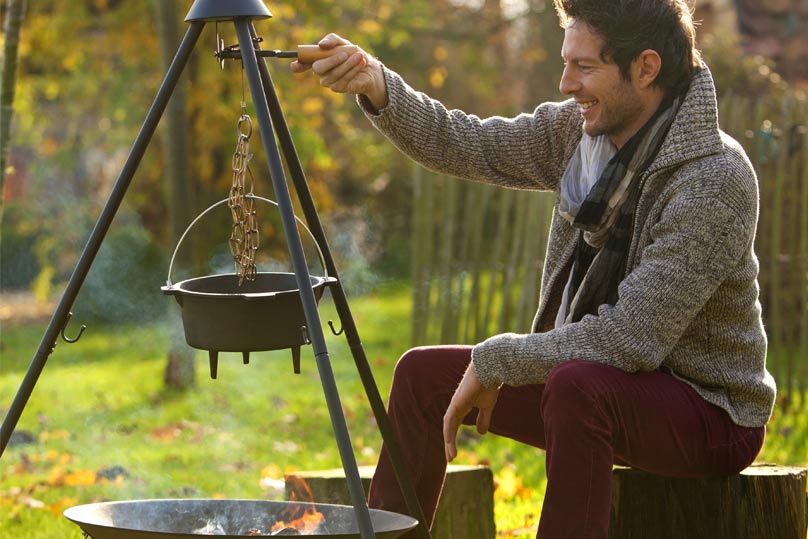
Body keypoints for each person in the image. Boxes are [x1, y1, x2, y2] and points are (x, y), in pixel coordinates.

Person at [292, 0, 777, 537]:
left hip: (708, 413)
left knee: (579, 385)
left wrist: (500, 359)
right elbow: (468, 142)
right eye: (566, 62)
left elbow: (631, 339)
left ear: (645, 68)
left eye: (585, 67)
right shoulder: (579, 136)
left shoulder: (713, 179)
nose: (567, 83)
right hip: (596, 389)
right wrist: (374, 81)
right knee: (420, 377)